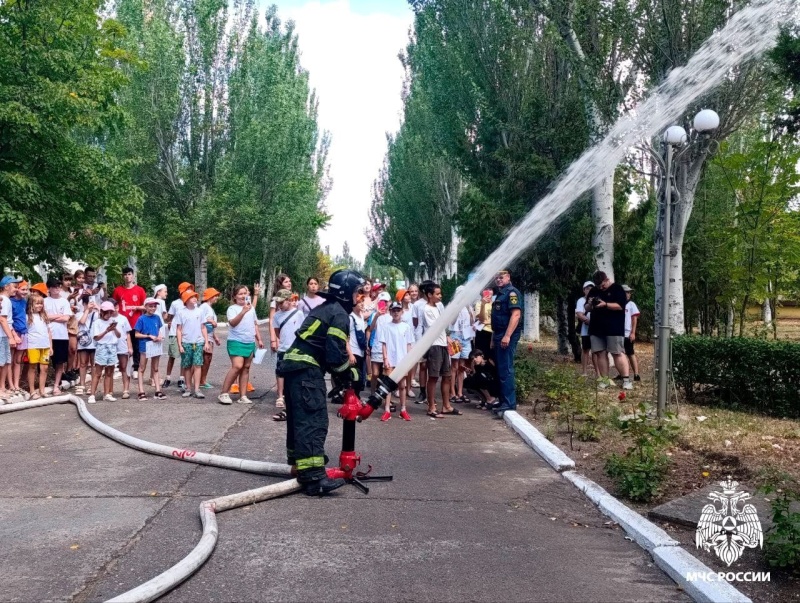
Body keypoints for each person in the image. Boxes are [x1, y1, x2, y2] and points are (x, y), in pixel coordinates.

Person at [277, 269, 365, 496]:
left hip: (296, 369)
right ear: (346, 293)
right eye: (357, 292)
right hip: (307, 371)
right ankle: (314, 478)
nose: (360, 297)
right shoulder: (340, 315)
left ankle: (299, 466)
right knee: (313, 421)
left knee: (299, 419)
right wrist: (350, 375)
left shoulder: (327, 309)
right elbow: (335, 354)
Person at [584, 271, 632, 390]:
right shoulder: (594, 290)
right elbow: (586, 307)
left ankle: (626, 380)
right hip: (596, 327)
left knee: (617, 353)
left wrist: (605, 304)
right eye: (598, 286)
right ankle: (604, 380)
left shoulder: (617, 289)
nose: (601, 288)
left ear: (607, 279)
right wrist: (590, 304)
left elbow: (621, 306)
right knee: (600, 353)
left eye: (602, 285)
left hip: (614, 327)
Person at [421, 281, 461, 418]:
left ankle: (446, 406)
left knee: (447, 376)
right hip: (434, 346)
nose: (440, 296)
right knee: (433, 377)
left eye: (440, 293)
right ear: (429, 295)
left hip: (443, 344)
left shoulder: (439, 306)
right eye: (437, 294)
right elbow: (436, 326)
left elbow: (443, 327)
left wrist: (448, 337)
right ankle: (431, 407)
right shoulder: (426, 309)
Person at [219, 285, 264, 405]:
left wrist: (258, 339)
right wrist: (243, 312)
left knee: (246, 368)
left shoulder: (251, 309)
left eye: (245, 293)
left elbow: (254, 324)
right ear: (234, 296)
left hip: (249, 341)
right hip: (236, 341)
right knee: (237, 366)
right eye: (240, 294)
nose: (243, 296)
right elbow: (233, 323)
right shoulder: (232, 309)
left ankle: (243, 395)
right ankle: (224, 393)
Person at [490, 269, 523, 415]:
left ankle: (509, 403)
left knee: (506, 369)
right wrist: (493, 338)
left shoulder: (512, 293)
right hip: (498, 334)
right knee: (500, 368)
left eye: (501, 277)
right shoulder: (501, 294)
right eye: (496, 278)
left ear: (508, 277)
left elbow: (515, 315)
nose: (498, 280)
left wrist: (507, 336)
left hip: (506, 334)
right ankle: (503, 400)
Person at [378, 301, 414, 421]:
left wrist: (409, 359)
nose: (396, 312)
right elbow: (384, 344)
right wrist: (385, 358)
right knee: (388, 386)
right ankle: (387, 410)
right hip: (390, 360)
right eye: (394, 310)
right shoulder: (386, 327)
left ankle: (403, 409)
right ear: (390, 312)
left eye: (398, 310)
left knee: (402, 385)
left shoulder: (406, 327)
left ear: (402, 312)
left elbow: (409, 344)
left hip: (402, 360)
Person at [272, 289, 304, 415]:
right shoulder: (277, 315)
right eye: (278, 303)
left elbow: (302, 330)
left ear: (289, 300)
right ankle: (280, 395)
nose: (280, 305)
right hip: (283, 347)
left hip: (295, 348)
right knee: (280, 372)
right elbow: (277, 331)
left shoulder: (298, 314)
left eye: (282, 302)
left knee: (295, 372)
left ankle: (294, 394)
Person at [113, 267, 147, 377]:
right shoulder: (118, 290)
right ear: (122, 276)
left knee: (136, 345)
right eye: (125, 274)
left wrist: (136, 307)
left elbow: (145, 306)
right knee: (121, 344)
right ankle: (120, 366)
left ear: (133, 276)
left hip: (135, 322)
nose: (127, 276)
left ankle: (136, 368)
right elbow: (113, 305)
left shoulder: (140, 290)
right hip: (122, 323)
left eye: (129, 274)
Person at [176, 289, 209, 399]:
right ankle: (188, 388)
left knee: (198, 364)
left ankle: (197, 389)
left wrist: (206, 341)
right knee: (187, 366)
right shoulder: (181, 312)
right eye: (192, 297)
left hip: (198, 342)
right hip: (186, 342)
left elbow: (203, 327)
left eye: (195, 296)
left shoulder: (200, 311)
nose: (195, 298)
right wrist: (180, 344)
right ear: (186, 299)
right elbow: (179, 329)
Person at [87, 301, 122, 403]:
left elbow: (119, 336)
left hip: (112, 347)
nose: (109, 314)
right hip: (102, 347)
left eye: (111, 312)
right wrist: (107, 331)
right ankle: (92, 395)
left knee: (109, 372)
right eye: (107, 312)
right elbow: (96, 338)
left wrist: (114, 329)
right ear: (101, 311)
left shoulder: (113, 321)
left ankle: (106, 393)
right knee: (98, 372)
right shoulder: (97, 322)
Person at [44, 278, 73, 396]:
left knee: (59, 362)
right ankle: (43, 384)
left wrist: (52, 317)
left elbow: (66, 318)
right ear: (49, 288)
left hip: (61, 336)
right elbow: (44, 317)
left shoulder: (64, 302)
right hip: (46, 334)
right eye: (54, 287)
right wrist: (59, 316)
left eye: (59, 286)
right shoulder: (44, 301)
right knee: (45, 362)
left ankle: (56, 385)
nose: (57, 289)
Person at [134, 298, 166, 400]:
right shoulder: (141, 319)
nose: (153, 308)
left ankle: (158, 390)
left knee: (155, 368)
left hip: (155, 345)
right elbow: (136, 334)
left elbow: (159, 330)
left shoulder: (157, 317)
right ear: (146, 307)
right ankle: (141, 391)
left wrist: (159, 336)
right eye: (150, 306)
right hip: (145, 345)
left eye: (154, 306)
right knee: (142, 368)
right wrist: (149, 336)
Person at [164, 282, 193, 390]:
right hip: (174, 332)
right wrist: (167, 320)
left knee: (184, 357)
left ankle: (181, 378)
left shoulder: (192, 303)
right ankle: (168, 377)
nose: (189, 292)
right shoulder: (175, 303)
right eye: (187, 289)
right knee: (172, 356)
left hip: (186, 333)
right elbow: (169, 317)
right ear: (181, 292)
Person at [449, 286, 474, 404]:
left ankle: (460, 392)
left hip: (466, 338)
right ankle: (452, 393)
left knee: (462, 366)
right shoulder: (453, 306)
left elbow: (472, 323)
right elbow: (451, 321)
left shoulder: (468, 306)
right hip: (456, 337)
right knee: (454, 366)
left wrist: (471, 314)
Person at [25, 292, 52, 400]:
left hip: (45, 346)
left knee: (44, 368)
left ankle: (42, 390)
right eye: (37, 304)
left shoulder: (44, 316)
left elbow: (49, 332)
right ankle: (32, 390)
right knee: (32, 367)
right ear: (31, 304)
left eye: (41, 304)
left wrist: (51, 346)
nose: (39, 306)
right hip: (33, 345)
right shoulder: (28, 317)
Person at [0, 275, 22, 400]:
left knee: (6, 362)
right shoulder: (4, 299)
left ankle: (3, 388)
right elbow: (2, 320)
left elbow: (8, 322)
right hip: (2, 336)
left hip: (5, 335)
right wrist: (11, 337)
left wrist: (13, 335)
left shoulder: (7, 300)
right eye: (14, 286)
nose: (16, 289)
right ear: (6, 286)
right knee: (1, 363)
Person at [366, 291, 392, 397]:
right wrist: (377, 316)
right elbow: (371, 328)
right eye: (382, 302)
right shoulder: (374, 315)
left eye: (386, 302)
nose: (384, 304)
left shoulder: (392, 316)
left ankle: (386, 397)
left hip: (389, 348)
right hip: (377, 346)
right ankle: (372, 392)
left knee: (387, 375)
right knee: (375, 373)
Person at [109, 299, 133, 399]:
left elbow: (127, 334)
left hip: (122, 345)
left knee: (124, 368)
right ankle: (109, 391)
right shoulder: (106, 319)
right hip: (109, 345)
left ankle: (126, 389)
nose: (114, 310)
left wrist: (130, 347)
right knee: (109, 369)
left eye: (116, 307)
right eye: (112, 308)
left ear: (118, 307)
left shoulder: (123, 319)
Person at [198, 287, 221, 389]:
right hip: (204, 336)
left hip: (210, 335)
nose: (217, 298)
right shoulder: (204, 306)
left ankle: (202, 379)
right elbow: (200, 319)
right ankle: (201, 380)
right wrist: (211, 321)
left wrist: (215, 336)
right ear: (210, 297)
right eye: (215, 296)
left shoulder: (210, 308)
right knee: (206, 357)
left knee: (208, 358)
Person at [10, 280, 29, 398]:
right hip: (13, 333)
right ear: (17, 289)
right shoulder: (10, 302)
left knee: (18, 361)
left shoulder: (24, 301)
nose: (25, 292)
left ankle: (16, 385)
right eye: (23, 289)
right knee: (10, 360)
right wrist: (13, 335)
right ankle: (9, 385)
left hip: (23, 332)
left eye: (26, 289)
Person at [575, 280, 595, 377]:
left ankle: (598, 373)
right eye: (588, 288)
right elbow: (579, 314)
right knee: (585, 350)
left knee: (596, 351)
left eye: (591, 288)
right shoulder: (581, 301)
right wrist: (587, 321)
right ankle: (584, 371)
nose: (590, 290)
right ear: (584, 290)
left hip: (596, 330)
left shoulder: (597, 300)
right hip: (586, 329)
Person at [269, 273, 292, 352]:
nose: (289, 283)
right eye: (286, 282)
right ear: (280, 285)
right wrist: (273, 340)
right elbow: (272, 321)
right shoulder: (275, 302)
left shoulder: (293, 299)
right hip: (280, 336)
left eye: (289, 281)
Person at [622, 285, 641, 382]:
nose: (628, 294)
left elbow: (634, 319)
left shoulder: (631, 304)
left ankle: (636, 374)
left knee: (630, 353)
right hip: (618, 333)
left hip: (627, 333)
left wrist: (633, 332)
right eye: (626, 292)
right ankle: (623, 373)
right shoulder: (618, 303)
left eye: (629, 292)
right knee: (620, 354)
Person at [473, 288, 494, 356]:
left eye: (490, 289)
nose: (488, 291)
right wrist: (483, 305)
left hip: (494, 332)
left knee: (492, 356)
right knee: (481, 355)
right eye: (486, 290)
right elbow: (481, 320)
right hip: (483, 332)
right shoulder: (479, 304)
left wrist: (488, 322)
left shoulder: (495, 304)